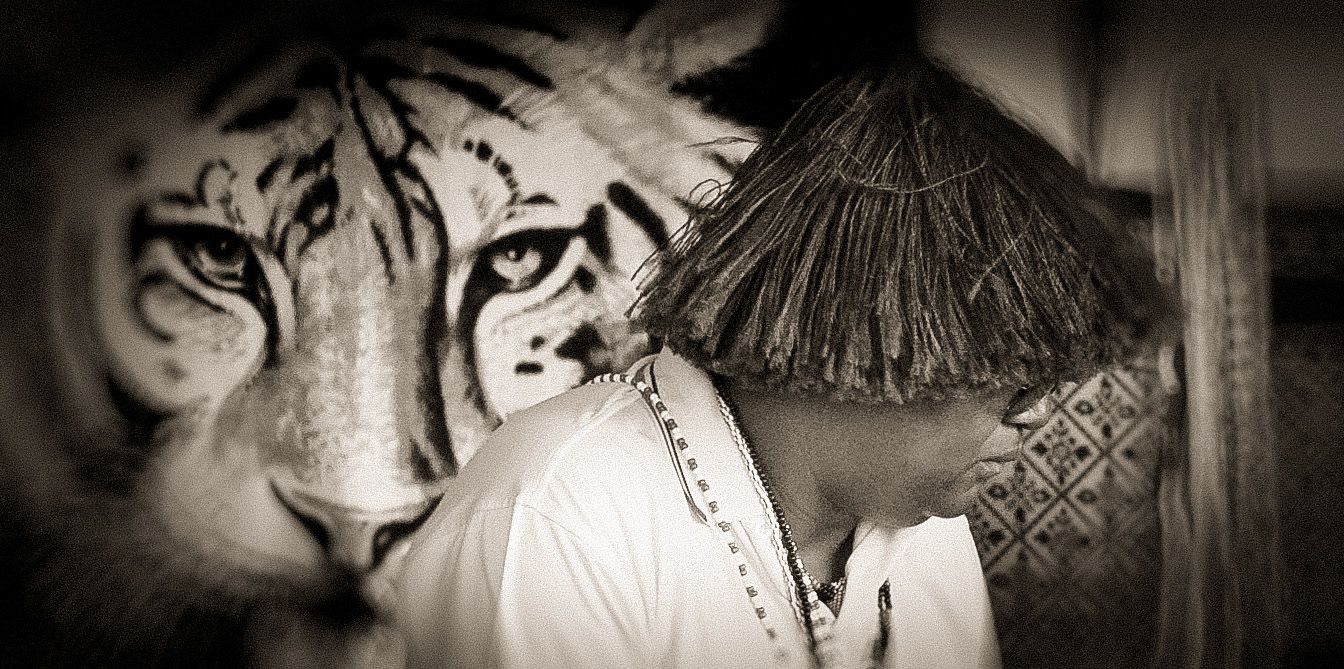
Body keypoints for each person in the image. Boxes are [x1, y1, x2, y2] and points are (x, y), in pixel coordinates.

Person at [391, 55, 1169, 669]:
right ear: (875, 336)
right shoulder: (559, 517)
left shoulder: (922, 529)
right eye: (1017, 375)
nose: (1035, 411)